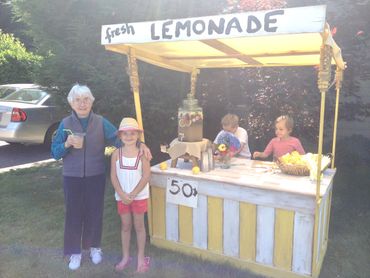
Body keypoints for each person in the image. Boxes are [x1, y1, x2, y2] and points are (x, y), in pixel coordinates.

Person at [51, 84, 151, 271]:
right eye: (78, 100)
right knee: (74, 214)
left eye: (86, 99)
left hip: (96, 175)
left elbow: (121, 137)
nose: (82, 104)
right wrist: (66, 144)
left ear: (91, 102)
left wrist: (141, 144)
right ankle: (75, 252)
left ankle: (94, 247)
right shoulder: (65, 124)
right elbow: (55, 153)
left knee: (94, 213)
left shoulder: (100, 122)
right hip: (71, 176)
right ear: (72, 103)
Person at [110, 117, 151, 273]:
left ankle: (141, 257)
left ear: (138, 136)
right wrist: (121, 193)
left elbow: (146, 176)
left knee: (139, 226)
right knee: (126, 226)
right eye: (125, 134)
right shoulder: (116, 154)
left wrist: (133, 194)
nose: (129, 137)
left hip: (138, 196)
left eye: (132, 133)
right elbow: (113, 176)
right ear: (120, 136)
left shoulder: (142, 154)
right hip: (122, 197)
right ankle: (126, 257)